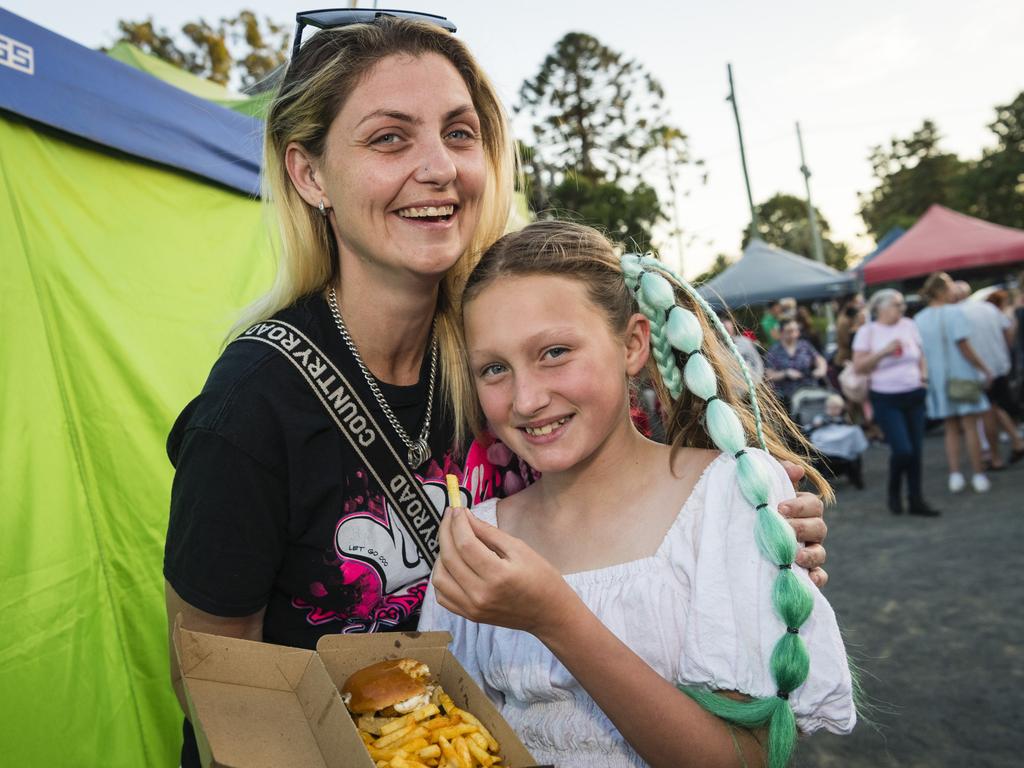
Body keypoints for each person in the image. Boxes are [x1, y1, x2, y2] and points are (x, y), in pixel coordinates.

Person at [160, 13, 831, 766]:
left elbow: (648, 503)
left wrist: (758, 534)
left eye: (459, 132)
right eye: (389, 138)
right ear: (311, 175)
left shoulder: (504, 361)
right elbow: (220, 688)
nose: (439, 167)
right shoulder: (252, 408)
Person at [419, 222, 855, 768]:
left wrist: (555, 617)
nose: (526, 399)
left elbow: (744, 757)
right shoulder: (476, 536)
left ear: (632, 343)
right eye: (494, 369)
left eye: (554, 352)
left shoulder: (723, 500)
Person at [852, 289, 938, 515]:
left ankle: (916, 499)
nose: (902, 309)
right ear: (880, 307)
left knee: (916, 451)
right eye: (897, 305)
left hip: (913, 393)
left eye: (902, 305)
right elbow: (859, 366)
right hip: (885, 397)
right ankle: (893, 491)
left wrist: (924, 379)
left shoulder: (908, 325)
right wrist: (884, 351)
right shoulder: (868, 331)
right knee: (903, 450)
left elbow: (920, 355)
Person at [913, 273, 993, 493]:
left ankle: (955, 475)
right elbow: (965, 347)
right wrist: (985, 369)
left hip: (938, 381)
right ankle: (978, 474)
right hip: (962, 376)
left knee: (950, 428)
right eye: (949, 287)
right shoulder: (956, 313)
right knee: (970, 427)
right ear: (942, 290)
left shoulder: (919, 319)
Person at [952, 282, 1024, 467]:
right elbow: (1008, 330)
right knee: (997, 407)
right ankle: (1015, 441)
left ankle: (995, 456)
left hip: (978, 370)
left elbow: (962, 346)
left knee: (988, 411)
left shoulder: (955, 314)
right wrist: (1005, 353)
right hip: (999, 365)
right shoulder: (987, 308)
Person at [765, 318, 828, 414]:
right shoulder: (774, 350)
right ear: (781, 333)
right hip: (787, 395)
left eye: (796, 330)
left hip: (810, 387)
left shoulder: (804, 345)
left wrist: (821, 369)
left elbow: (819, 359)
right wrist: (785, 373)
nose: (794, 333)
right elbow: (769, 374)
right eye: (790, 331)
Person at [807, 394, 868, 490]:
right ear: (826, 407)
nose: (834, 410)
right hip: (826, 443)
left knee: (855, 432)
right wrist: (817, 425)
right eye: (831, 408)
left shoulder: (843, 419)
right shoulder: (821, 418)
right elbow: (810, 428)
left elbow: (848, 427)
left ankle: (855, 473)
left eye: (837, 408)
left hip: (842, 442)